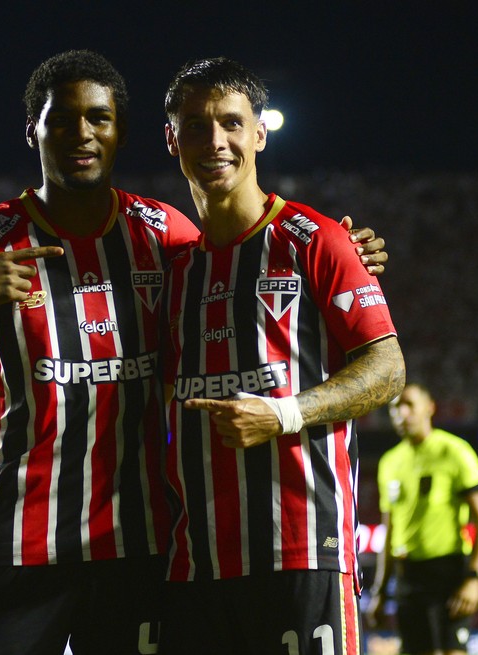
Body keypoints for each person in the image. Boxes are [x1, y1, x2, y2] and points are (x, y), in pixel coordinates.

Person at [0, 50, 388, 655]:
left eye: (98, 118)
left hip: (142, 551)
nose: (82, 133)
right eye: (62, 118)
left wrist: (338, 249)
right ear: (33, 131)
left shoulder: (161, 235)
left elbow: (243, 246)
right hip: (19, 544)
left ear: (120, 132)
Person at [152, 57, 405, 655]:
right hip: (195, 560)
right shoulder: (172, 271)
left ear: (260, 134)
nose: (215, 141)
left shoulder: (315, 241)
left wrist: (281, 414)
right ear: (172, 138)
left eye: (232, 124)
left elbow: (387, 369)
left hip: (301, 550)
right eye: (195, 125)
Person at [368, 383, 478, 655]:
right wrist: (379, 592)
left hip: (448, 573)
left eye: (409, 404)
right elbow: (389, 530)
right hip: (408, 577)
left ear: (430, 408)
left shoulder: (453, 451)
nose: (402, 412)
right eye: (395, 407)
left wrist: (474, 578)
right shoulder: (389, 462)